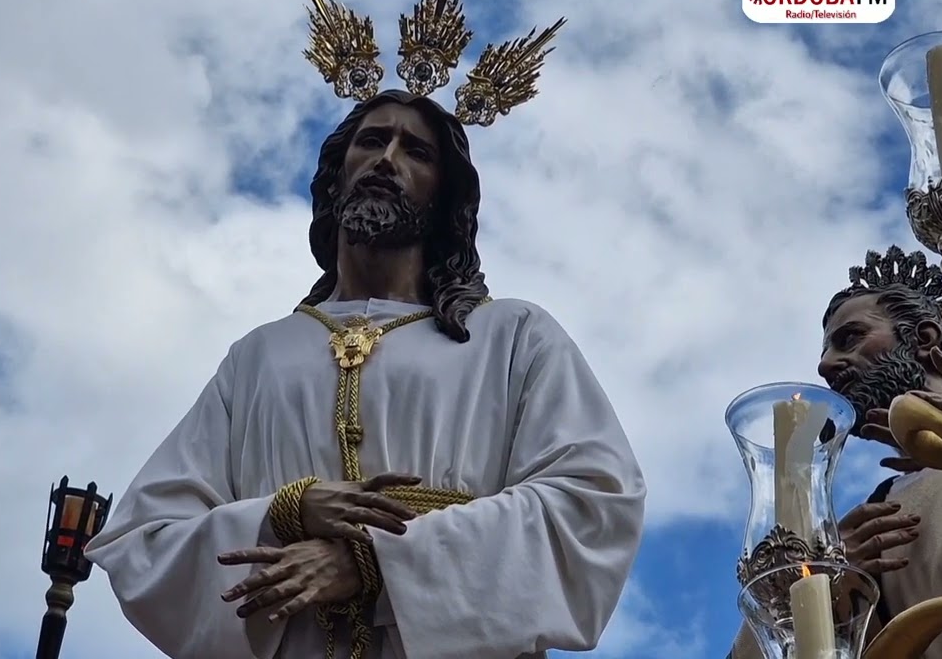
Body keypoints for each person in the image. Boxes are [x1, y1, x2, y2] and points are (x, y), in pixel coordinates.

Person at [85, 85, 647, 659]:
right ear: (336, 176)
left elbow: (593, 503)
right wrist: (285, 514)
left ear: (445, 197)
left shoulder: (512, 335)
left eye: (417, 152)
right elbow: (146, 540)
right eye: (372, 141)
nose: (387, 159)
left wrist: (377, 561)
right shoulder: (258, 356)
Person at [728, 245, 942, 659]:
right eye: (825, 352)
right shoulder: (886, 517)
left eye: (850, 338)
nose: (827, 366)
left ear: (924, 338)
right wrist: (807, 584)